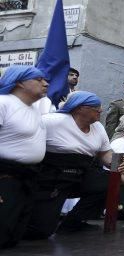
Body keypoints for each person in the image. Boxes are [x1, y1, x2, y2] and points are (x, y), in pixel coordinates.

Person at [27, 92, 113, 238]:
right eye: (95, 107)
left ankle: (74, 222)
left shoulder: (98, 127)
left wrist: (116, 163)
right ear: (80, 108)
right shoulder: (51, 121)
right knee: (40, 231)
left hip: (83, 172)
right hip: (53, 176)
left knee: (109, 182)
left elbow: (105, 154)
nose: (100, 110)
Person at [0, 65, 48, 248]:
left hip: (28, 178)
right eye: (38, 79)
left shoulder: (34, 109)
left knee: (14, 236)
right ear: (19, 82)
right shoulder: (3, 103)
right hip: (5, 178)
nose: (45, 83)